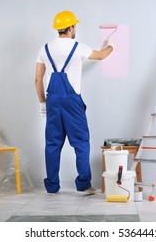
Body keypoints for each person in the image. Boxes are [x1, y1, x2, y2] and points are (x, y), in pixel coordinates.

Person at [35, 10, 114, 194]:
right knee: (80, 142)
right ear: (71, 27)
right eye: (75, 26)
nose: (75, 28)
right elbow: (101, 56)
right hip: (72, 102)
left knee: (53, 144)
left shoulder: (44, 49)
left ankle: (52, 186)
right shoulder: (78, 46)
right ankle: (84, 184)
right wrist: (111, 46)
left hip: (52, 101)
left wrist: (42, 103)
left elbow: (38, 79)